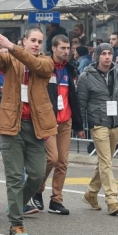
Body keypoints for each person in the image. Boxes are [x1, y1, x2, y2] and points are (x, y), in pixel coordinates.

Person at [0, 14, 56, 235]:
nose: (36, 44)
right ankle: (16, 224)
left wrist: (12, 47)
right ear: (25, 41)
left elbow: (34, 64)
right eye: (32, 40)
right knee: (14, 177)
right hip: (11, 126)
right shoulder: (10, 60)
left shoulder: (46, 62)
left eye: (39, 41)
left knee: (37, 174)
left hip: (35, 127)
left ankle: (18, 203)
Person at [77, 43, 118, 215]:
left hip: (115, 121)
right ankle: (112, 199)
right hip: (98, 122)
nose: (107, 57)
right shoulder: (86, 76)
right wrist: (80, 126)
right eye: (103, 53)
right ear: (97, 56)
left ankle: (91, 194)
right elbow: (81, 103)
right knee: (106, 162)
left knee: (105, 161)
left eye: (109, 53)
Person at [35, 34, 84, 215]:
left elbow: (73, 98)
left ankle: (56, 200)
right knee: (52, 158)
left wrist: (78, 126)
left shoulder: (70, 69)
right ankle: (37, 190)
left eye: (68, 48)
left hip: (66, 121)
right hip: (49, 121)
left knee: (62, 162)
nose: (66, 51)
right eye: (62, 48)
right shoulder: (44, 66)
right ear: (53, 48)